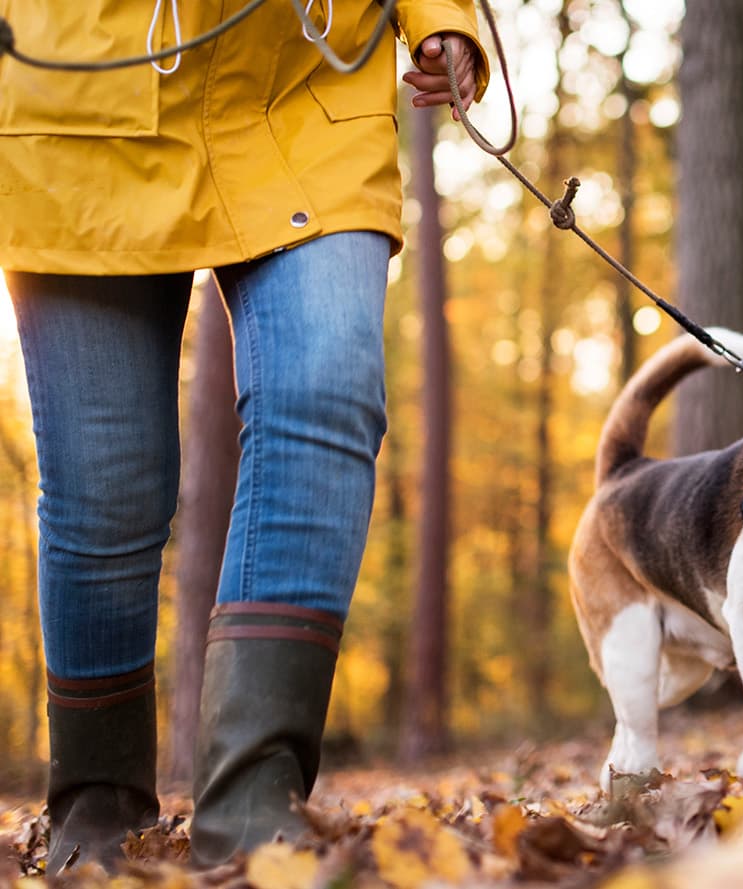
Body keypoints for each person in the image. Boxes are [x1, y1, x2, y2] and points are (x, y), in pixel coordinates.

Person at [0, 0, 487, 871]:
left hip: (304, 81)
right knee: (105, 486)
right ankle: (97, 815)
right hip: (76, 100)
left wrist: (442, 13)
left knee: (326, 389)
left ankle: (254, 810)